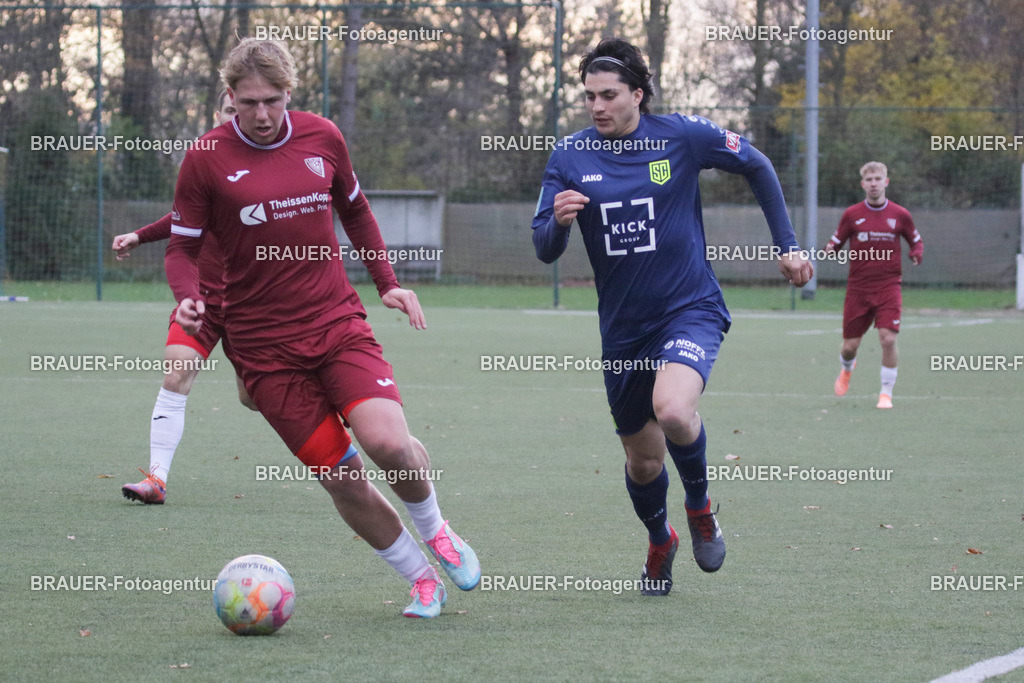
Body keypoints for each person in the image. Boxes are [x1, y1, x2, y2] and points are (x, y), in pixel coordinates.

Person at [164, 38, 479, 618]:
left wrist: (387, 282)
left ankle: (437, 529)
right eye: (248, 103)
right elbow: (181, 250)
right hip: (261, 349)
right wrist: (188, 300)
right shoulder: (205, 156)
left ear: (290, 93)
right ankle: (420, 580)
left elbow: (355, 209)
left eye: (273, 100)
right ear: (229, 97)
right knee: (341, 477)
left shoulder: (322, 137)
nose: (261, 115)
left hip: (334, 320)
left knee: (387, 442)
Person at [531, 38, 813, 596]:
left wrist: (787, 243)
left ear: (638, 93)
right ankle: (661, 540)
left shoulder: (682, 136)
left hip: (690, 308)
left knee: (675, 409)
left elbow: (756, 163)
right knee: (642, 461)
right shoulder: (569, 157)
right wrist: (560, 222)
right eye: (589, 96)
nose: (596, 106)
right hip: (623, 331)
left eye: (608, 95)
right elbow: (543, 248)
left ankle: (701, 507)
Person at [115, 90, 257, 505]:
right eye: (231, 111)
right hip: (202, 302)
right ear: (218, 114)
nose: (238, 118)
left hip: (254, 305)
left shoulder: (268, 166)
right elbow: (182, 219)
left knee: (254, 398)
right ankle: (156, 479)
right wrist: (140, 236)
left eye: (243, 111)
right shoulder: (204, 161)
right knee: (177, 373)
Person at [825, 161, 923, 409]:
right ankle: (847, 369)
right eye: (869, 180)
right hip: (858, 289)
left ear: (886, 182)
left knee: (888, 339)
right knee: (850, 346)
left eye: (878, 179)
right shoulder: (852, 215)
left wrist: (916, 252)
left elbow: (915, 241)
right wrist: (830, 250)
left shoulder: (900, 215)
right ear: (863, 184)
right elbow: (836, 242)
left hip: (889, 287)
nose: (874, 183)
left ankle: (886, 393)